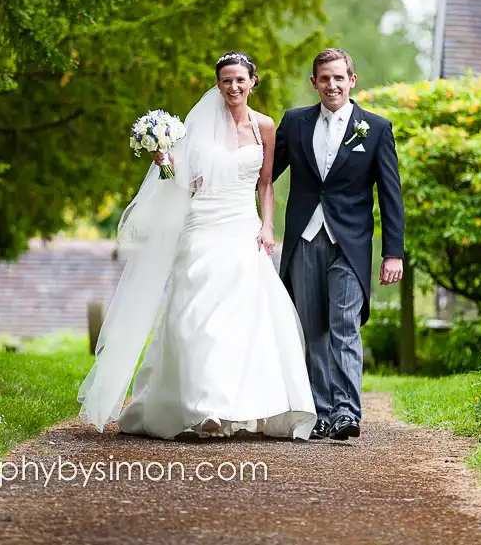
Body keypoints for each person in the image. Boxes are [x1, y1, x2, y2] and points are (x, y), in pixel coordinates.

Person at [77, 52, 317, 440]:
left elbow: (266, 183)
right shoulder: (195, 128)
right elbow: (179, 182)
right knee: (194, 316)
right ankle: (201, 408)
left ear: (253, 82)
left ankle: (228, 407)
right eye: (226, 81)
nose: (234, 87)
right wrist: (164, 160)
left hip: (242, 227)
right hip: (202, 225)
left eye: (240, 80)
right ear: (218, 84)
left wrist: (268, 226)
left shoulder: (266, 127)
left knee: (240, 320)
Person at [272, 48, 405, 441]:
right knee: (313, 330)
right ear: (314, 82)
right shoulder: (295, 123)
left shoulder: (376, 129)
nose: (332, 85)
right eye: (324, 78)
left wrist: (392, 252)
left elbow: (391, 195)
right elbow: (264, 172)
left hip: (350, 243)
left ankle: (348, 411)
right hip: (305, 238)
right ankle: (323, 412)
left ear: (352, 79)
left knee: (344, 325)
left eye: (339, 78)